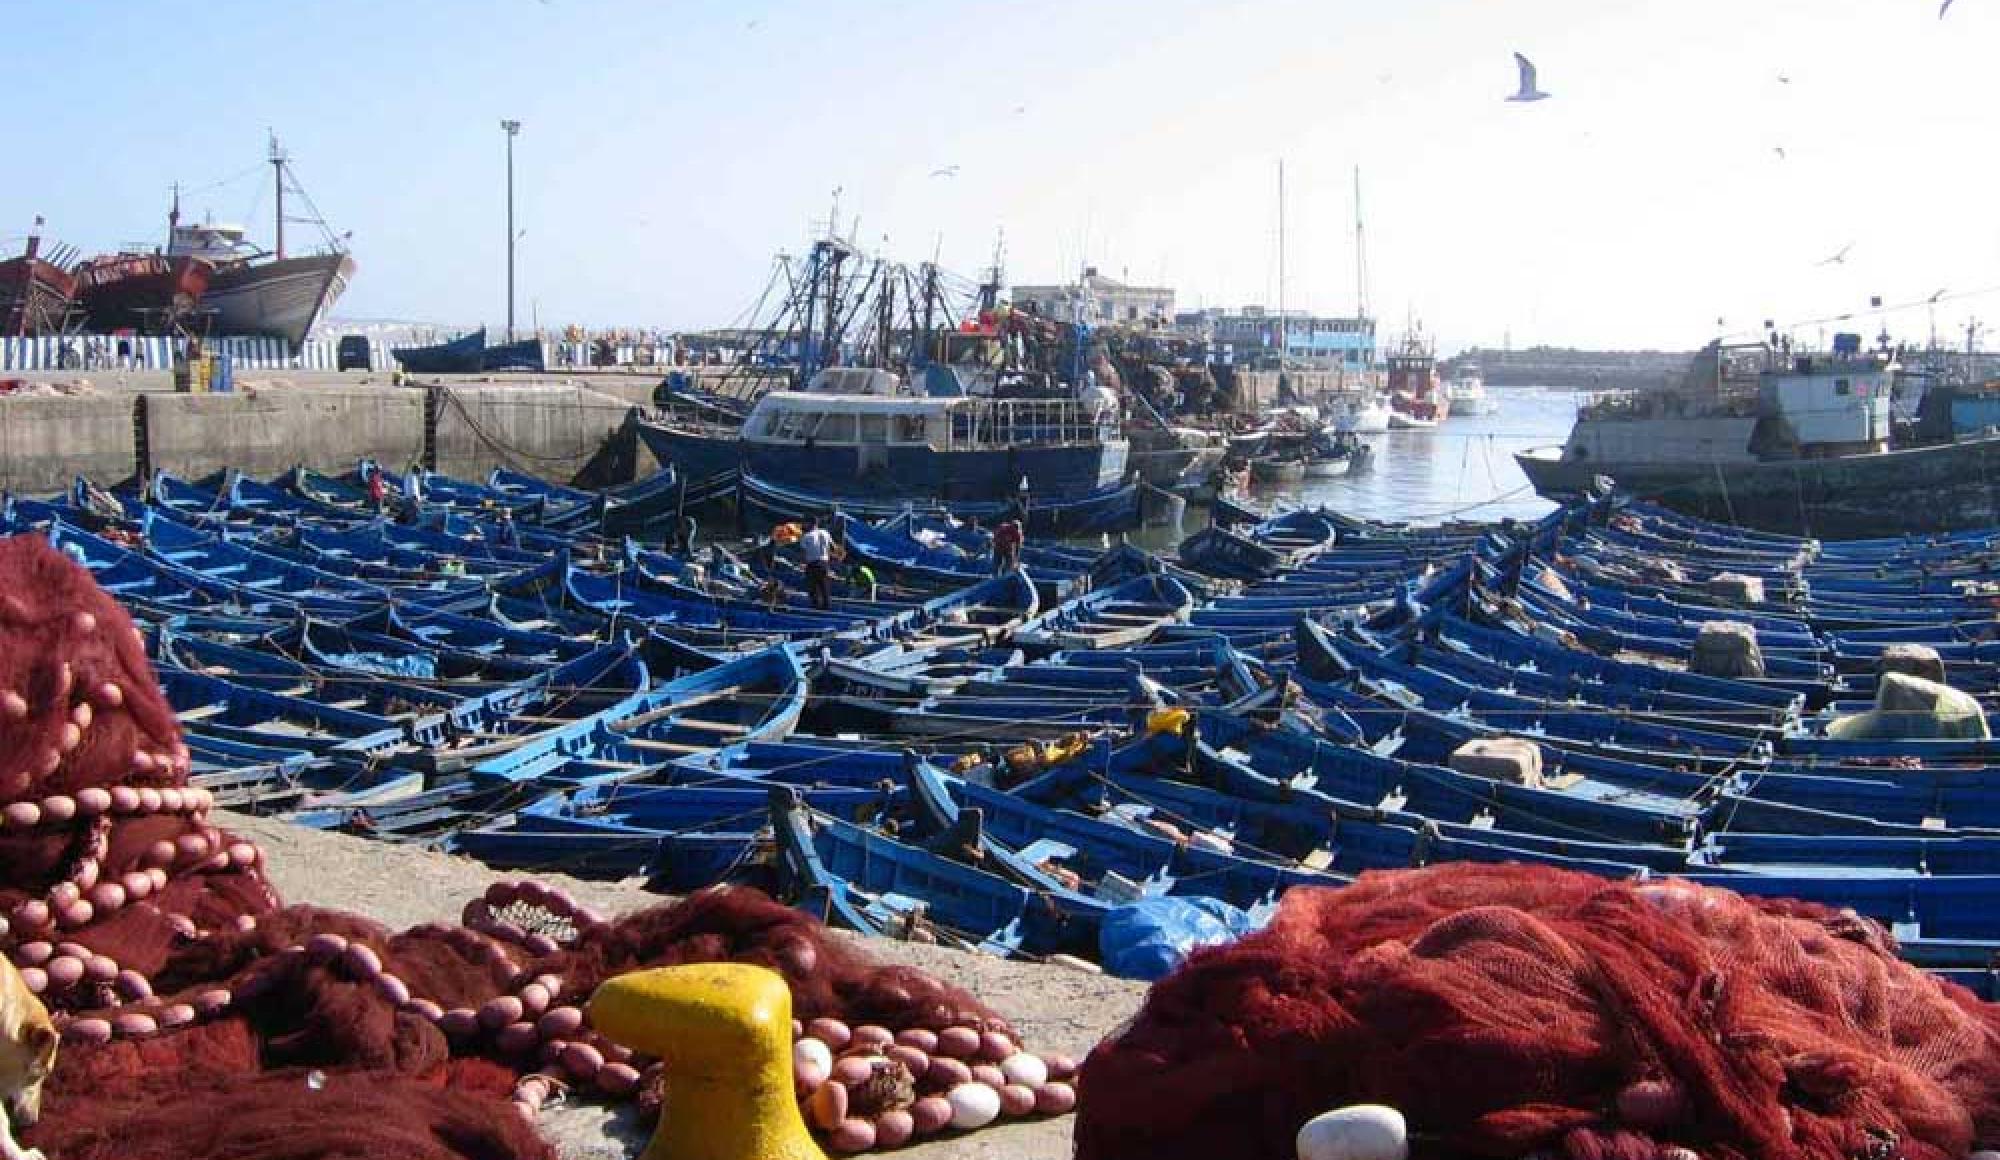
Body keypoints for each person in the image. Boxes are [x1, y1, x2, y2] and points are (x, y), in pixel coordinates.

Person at [799, 516, 835, 610]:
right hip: (824, 563)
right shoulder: (826, 533)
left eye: (805, 523)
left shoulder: (806, 536)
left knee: (813, 589)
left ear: (810, 523)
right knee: (824, 587)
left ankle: (815, 608)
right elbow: (833, 547)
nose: (804, 525)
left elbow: (803, 553)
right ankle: (827, 608)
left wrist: (802, 563)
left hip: (812, 564)